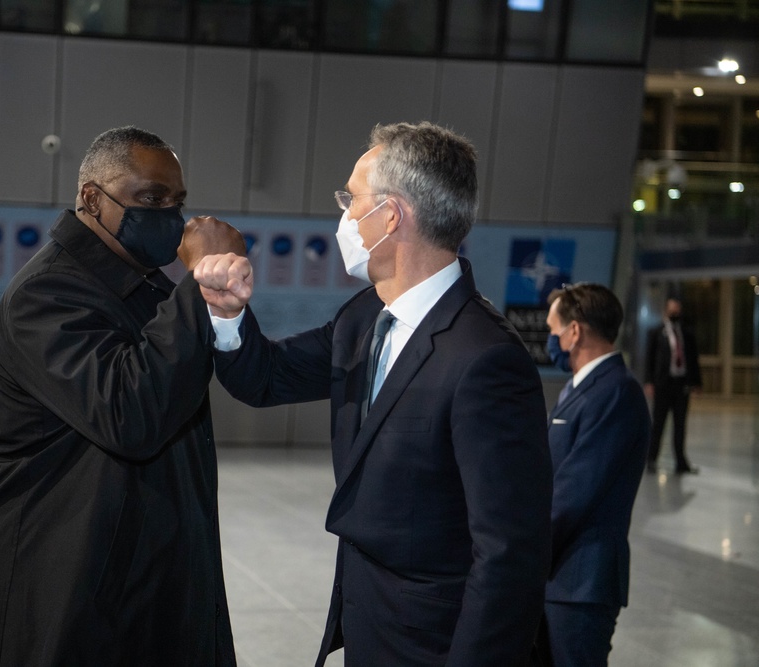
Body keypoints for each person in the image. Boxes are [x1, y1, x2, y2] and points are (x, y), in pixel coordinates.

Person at [196, 121, 553, 666]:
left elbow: (509, 556)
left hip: (435, 643)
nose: (343, 215)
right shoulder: (364, 318)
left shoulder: (485, 359)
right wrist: (228, 314)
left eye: (351, 198)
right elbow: (264, 377)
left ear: (391, 215)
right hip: (369, 626)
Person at [0, 126, 247, 666]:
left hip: (142, 567)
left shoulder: (148, 285)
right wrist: (199, 282)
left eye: (177, 202)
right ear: (92, 198)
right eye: (150, 199)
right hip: (62, 575)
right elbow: (130, 413)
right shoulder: (46, 293)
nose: (170, 216)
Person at [537, 283, 651, 667]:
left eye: (553, 331)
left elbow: (574, 491)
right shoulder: (579, 388)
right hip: (557, 577)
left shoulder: (617, 393)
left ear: (575, 331)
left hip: (581, 584)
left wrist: (522, 551)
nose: (550, 340)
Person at [644, 297, 702, 474]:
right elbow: (650, 359)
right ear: (666, 311)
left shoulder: (686, 333)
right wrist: (649, 382)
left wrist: (696, 383)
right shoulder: (656, 332)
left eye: (677, 309)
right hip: (663, 385)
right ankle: (651, 459)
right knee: (658, 424)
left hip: (681, 385)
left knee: (680, 425)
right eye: (672, 309)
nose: (675, 312)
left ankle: (681, 462)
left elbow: (693, 359)